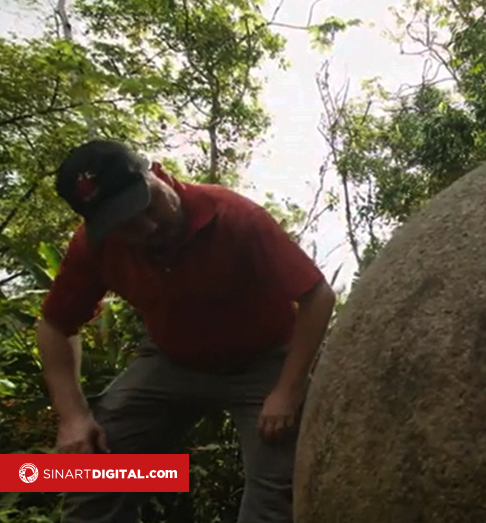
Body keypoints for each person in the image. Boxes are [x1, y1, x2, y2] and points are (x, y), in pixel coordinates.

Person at [36, 140, 337, 523]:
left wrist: (288, 390)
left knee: (279, 490)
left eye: (147, 206)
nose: (146, 228)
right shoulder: (94, 248)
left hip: (264, 363)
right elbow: (53, 326)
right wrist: (72, 417)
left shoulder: (234, 216)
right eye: (124, 225)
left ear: (158, 174)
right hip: (171, 361)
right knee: (92, 467)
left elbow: (317, 295)